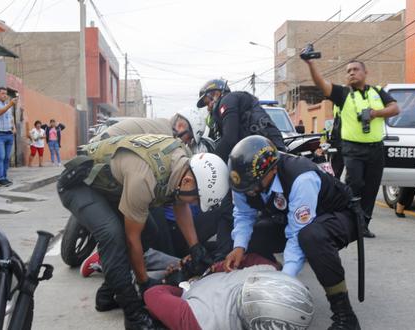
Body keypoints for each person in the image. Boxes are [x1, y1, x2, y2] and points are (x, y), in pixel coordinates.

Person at [57, 134, 229, 329]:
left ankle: (108, 294)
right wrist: (144, 283)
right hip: (79, 184)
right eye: (197, 199)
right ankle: (132, 314)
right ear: (188, 181)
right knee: (112, 235)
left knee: (149, 232)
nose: (196, 204)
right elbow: (132, 241)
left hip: (111, 187)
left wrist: (195, 247)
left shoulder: (185, 166)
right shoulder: (144, 179)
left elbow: (180, 205)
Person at [225, 135, 361, 330]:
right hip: (294, 219)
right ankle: (266, 285)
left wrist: (284, 283)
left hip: (340, 215)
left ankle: (345, 317)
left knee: (311, 237)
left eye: (253, 187)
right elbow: (243, 214)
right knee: (254, 236)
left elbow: (297, 234)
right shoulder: (245, 180)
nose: (249, 193)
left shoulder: (300, 178)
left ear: (272, 171)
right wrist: (239, 247)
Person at [304, 57, 400, 238]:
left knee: (371, 188)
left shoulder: (378, 92)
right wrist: (311, 64)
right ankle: (348, 221)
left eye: (355, 69)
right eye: (348, 71)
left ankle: (363, 225)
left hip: (376, 149)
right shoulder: (343, 93)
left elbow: (395, 108)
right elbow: (321, 84)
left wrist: (375, 113)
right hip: (353, 149)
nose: (351, 73)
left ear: (365, 73)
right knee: (354, 184)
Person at [143, 255, 314, 330]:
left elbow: (153, 294)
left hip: (189, 288)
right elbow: (251, 257)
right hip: (208, 273)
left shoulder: (200, 321)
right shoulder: (268, 270)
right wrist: (216, 266)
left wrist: (179, 286)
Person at [196, 78, 286, 162]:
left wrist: (211, 162)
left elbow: (230, 139)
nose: (208, 108)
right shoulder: (234, 103)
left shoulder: (227, 100)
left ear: (216, 94)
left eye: (208, 103)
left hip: (268, 148)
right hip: (264, 147)